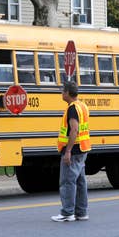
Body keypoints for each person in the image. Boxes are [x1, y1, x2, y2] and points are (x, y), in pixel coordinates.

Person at [52, 81, 91, 222]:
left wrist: (67, 151)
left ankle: (67, 212)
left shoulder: (73, 109)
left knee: (67, 181)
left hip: (73, 150)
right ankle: (81, 212)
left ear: (68, 93)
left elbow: (74, 130)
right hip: (83, 148)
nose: (61, 93)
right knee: (80, 182)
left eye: (63, 91)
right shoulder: (82, 106)